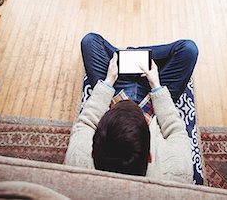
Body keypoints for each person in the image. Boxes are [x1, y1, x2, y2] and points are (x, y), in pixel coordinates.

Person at [64, 33, 198, 183]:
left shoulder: (76, 162)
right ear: (149, 157)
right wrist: (156, 85)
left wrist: (109, 80)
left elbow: (86, 121)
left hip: (114, 89)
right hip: (153, 99)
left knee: (90, 41)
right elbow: (176, 129)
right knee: (188, 49)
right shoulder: (177, 173)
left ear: (93, 153)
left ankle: (126, 58)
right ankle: (136, 58)